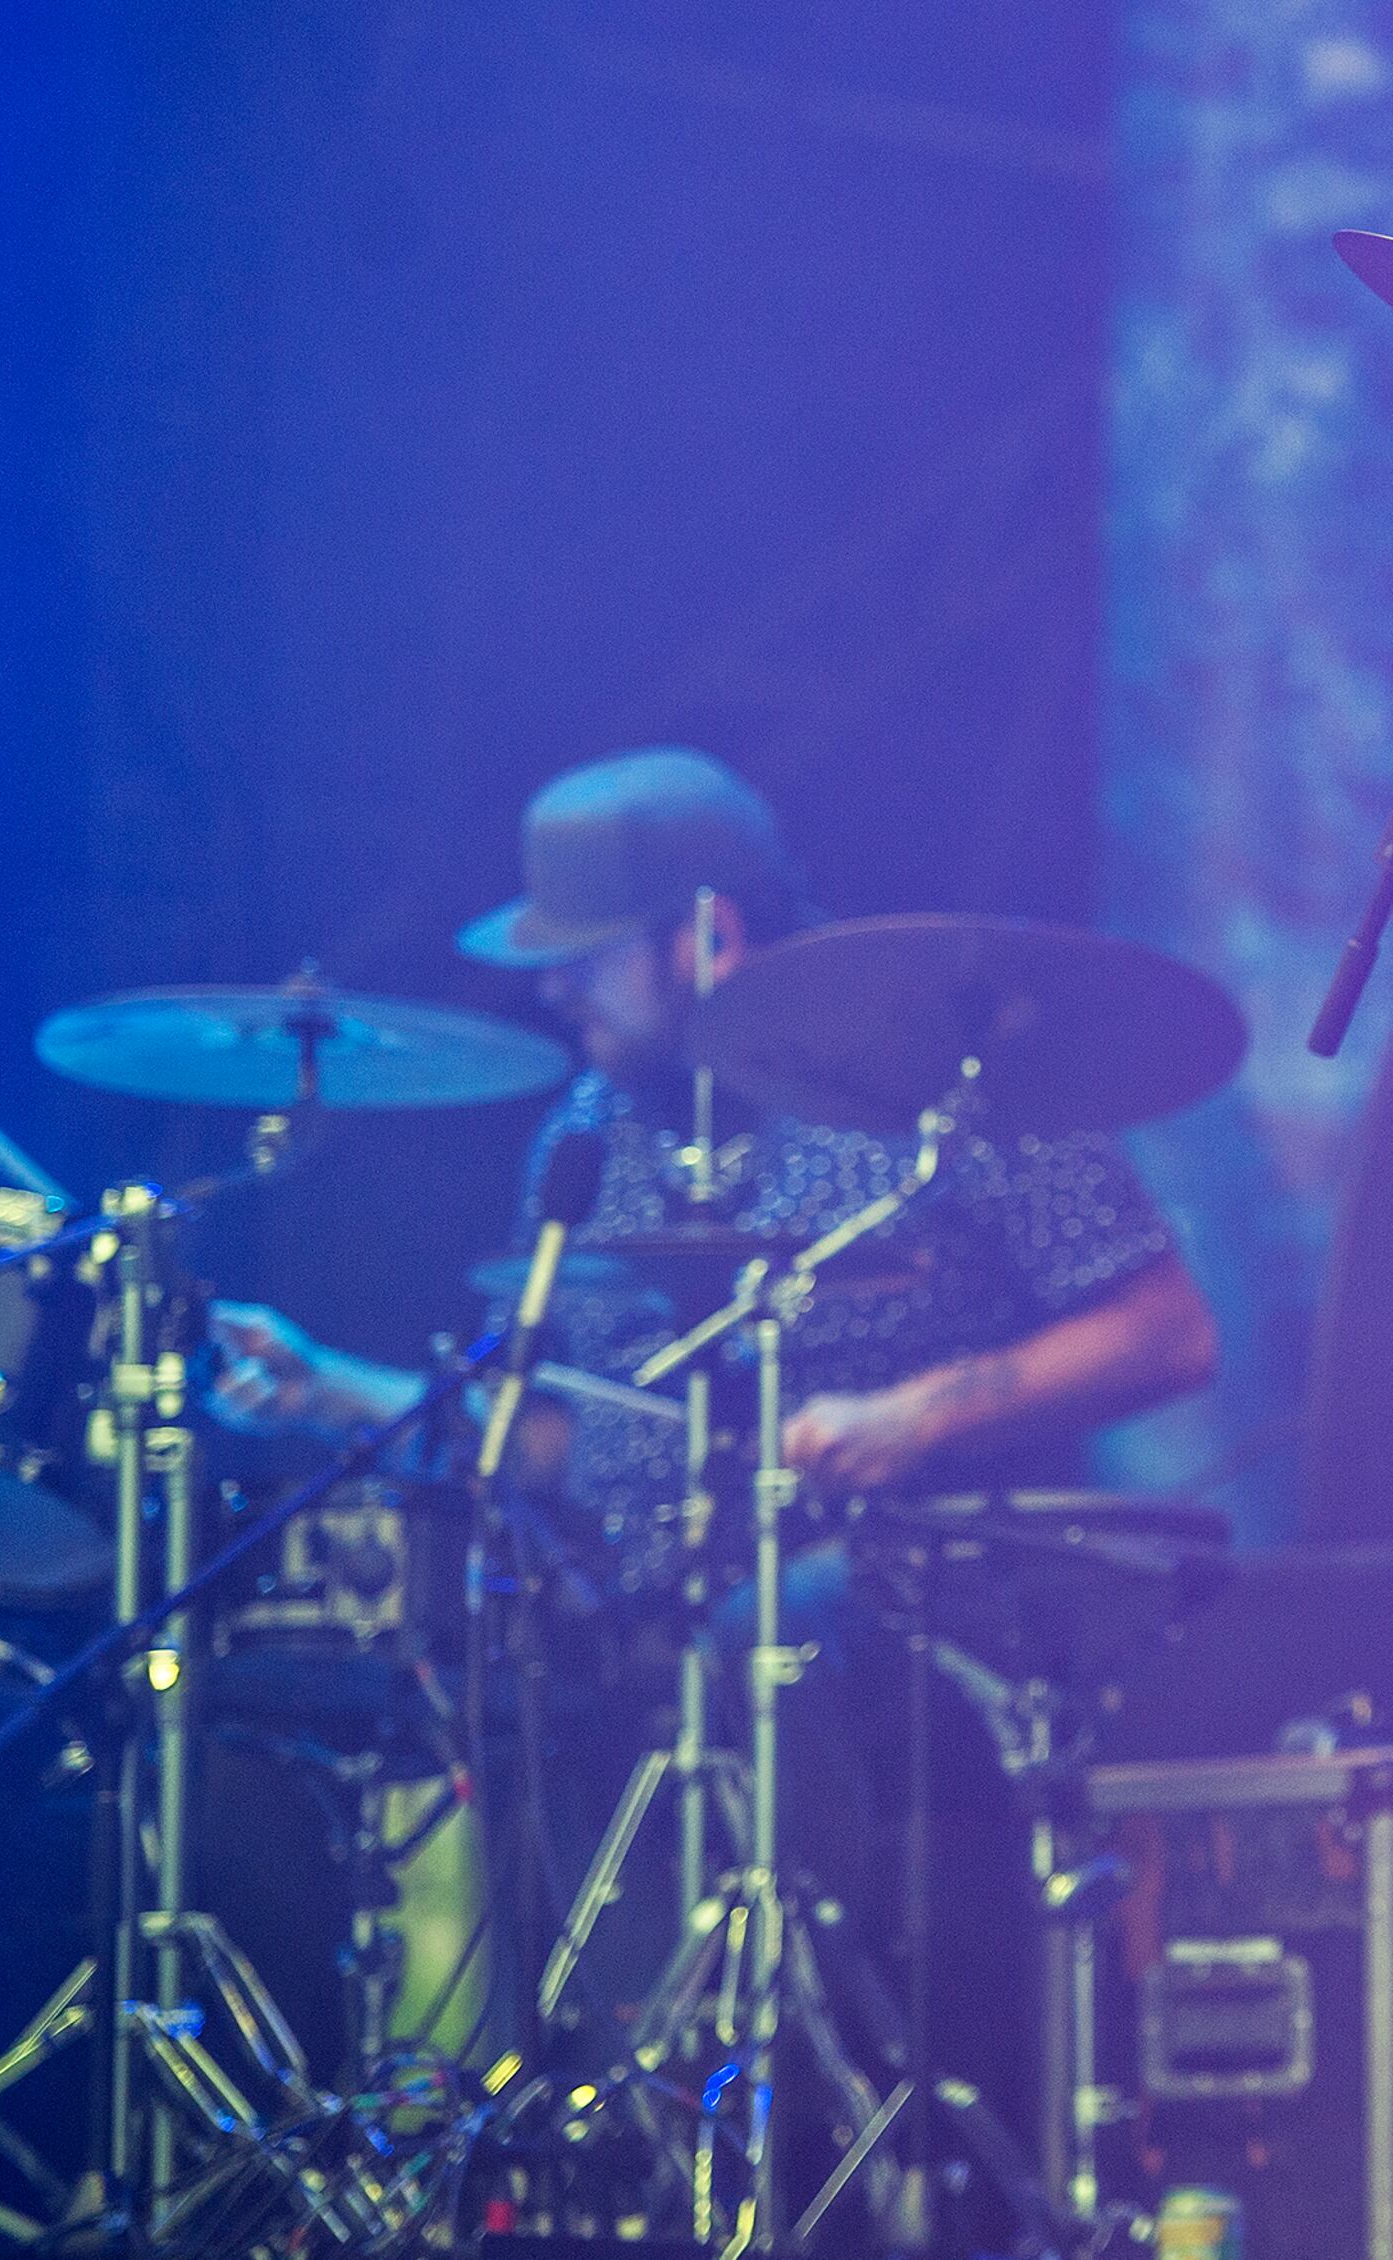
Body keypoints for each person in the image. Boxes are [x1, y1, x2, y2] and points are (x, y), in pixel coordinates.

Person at [203, 746, 1222, 2122]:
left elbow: (1166, 1332)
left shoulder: (945, 1071)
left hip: (954, 1586)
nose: (550, 990)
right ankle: (571, 2121)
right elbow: (601, 1445)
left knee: (768, 1632)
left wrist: (914, 1414)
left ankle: (804, 2091)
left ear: (707, 935)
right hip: (691, 1596)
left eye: (584, 957)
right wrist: (336, 1386)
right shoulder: (593, 1131)